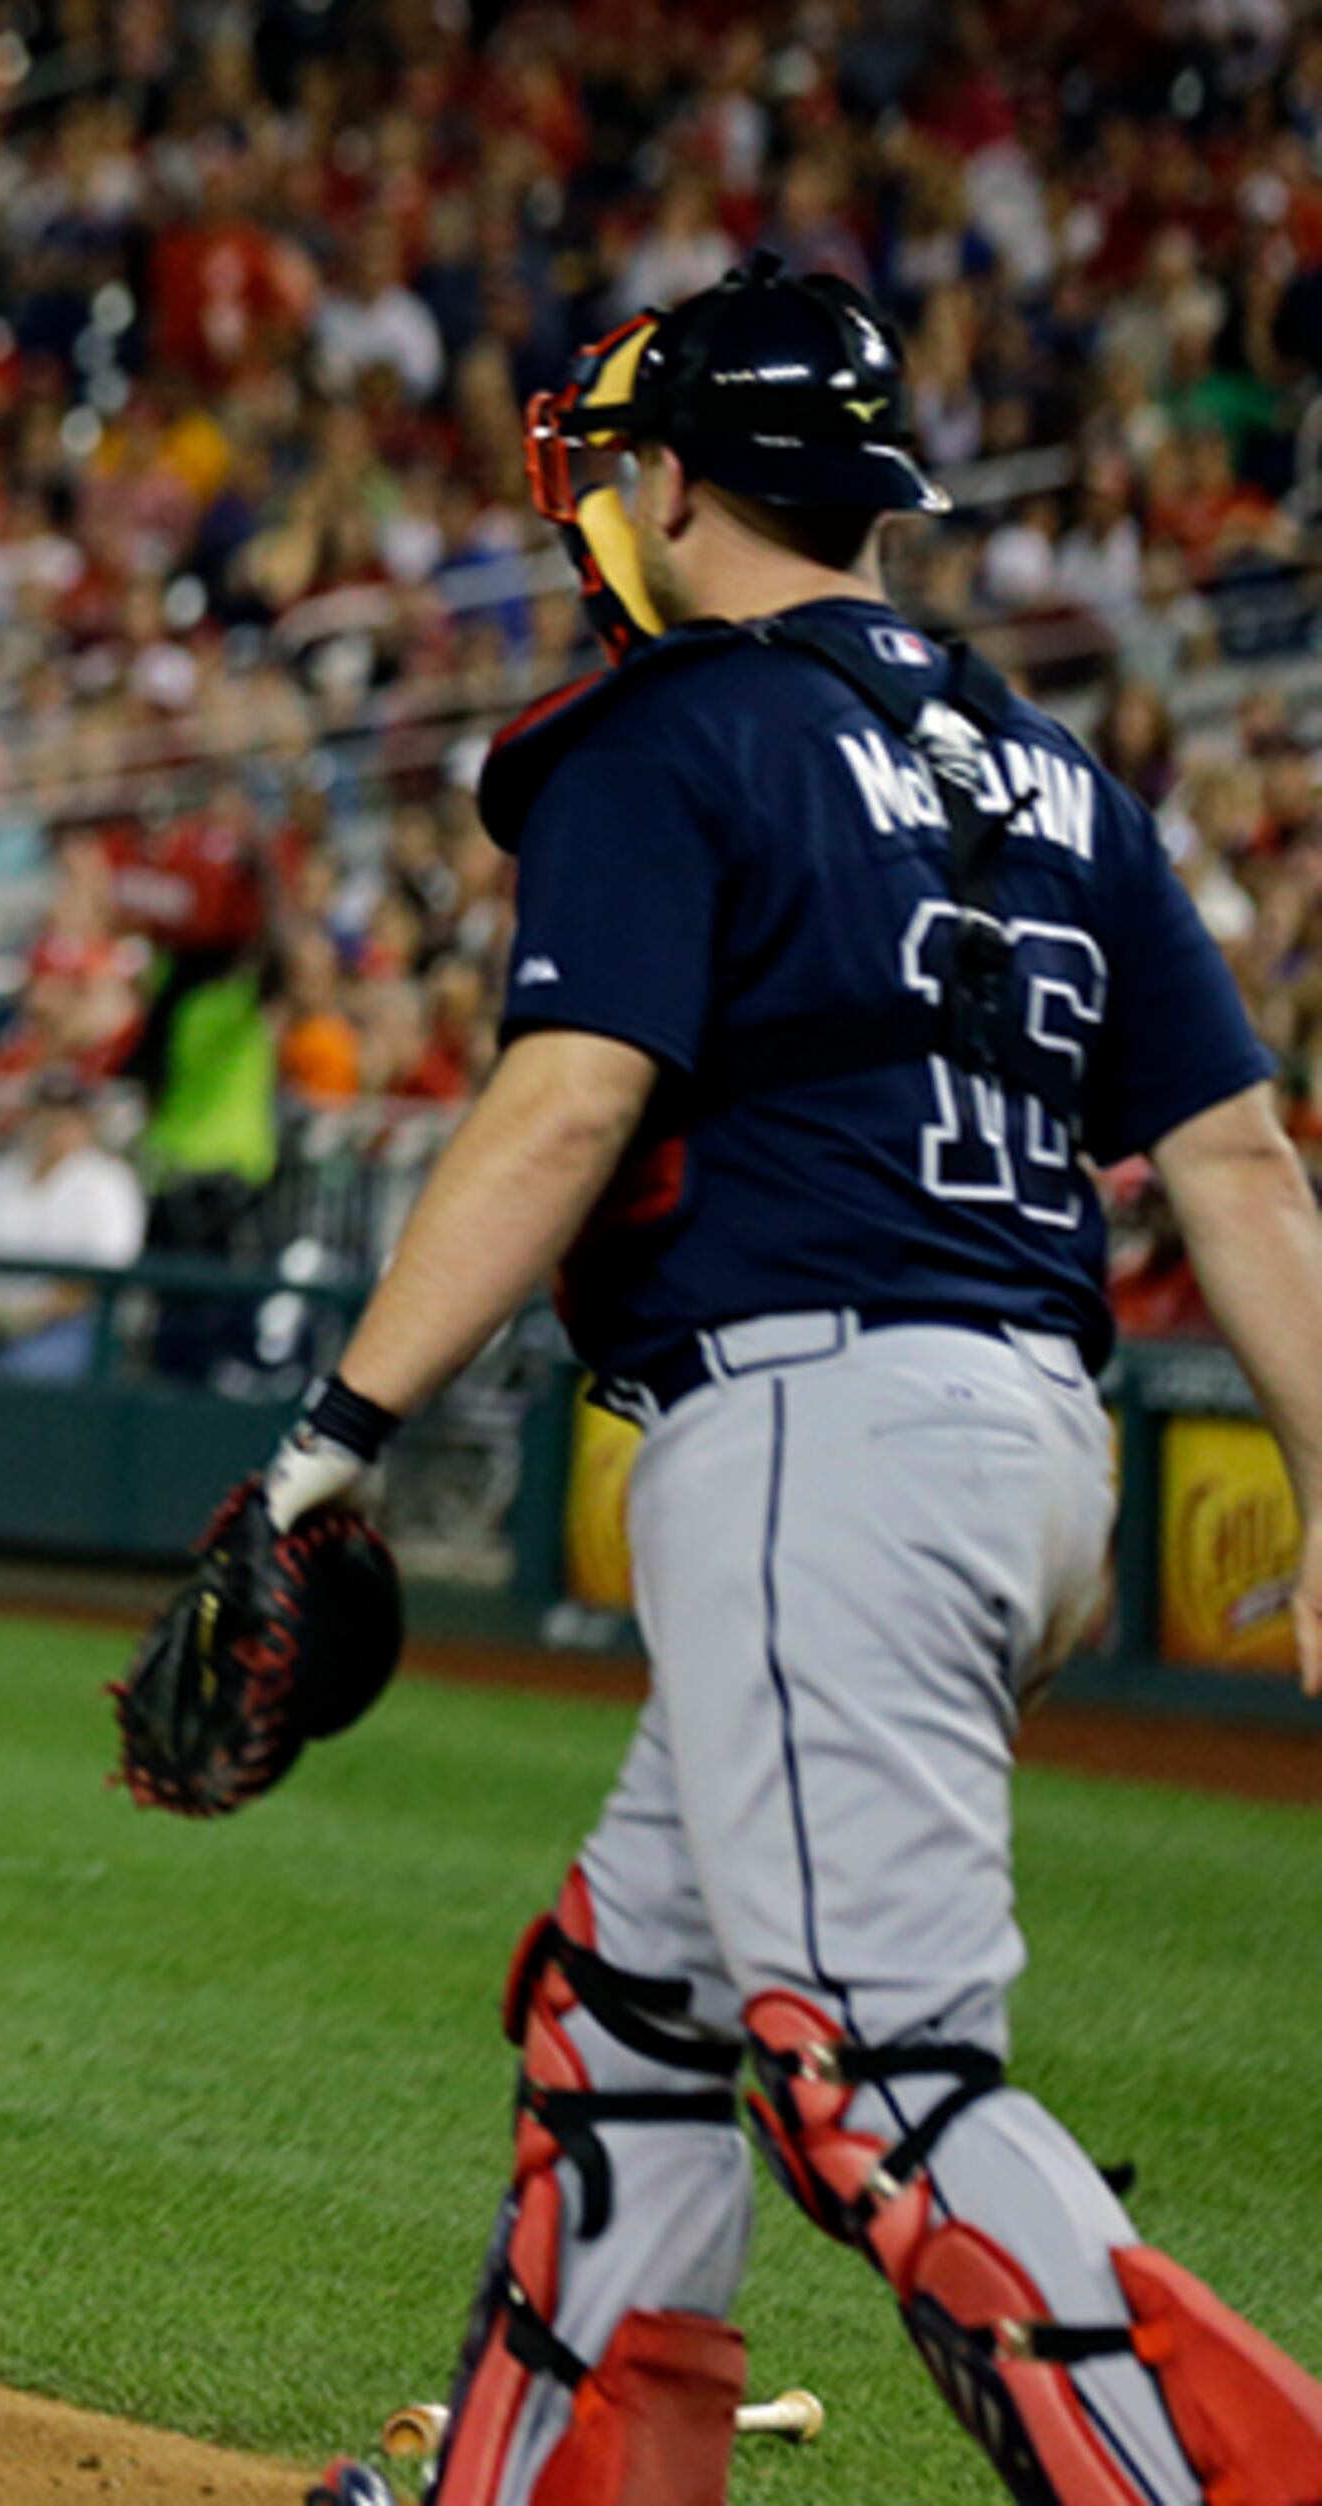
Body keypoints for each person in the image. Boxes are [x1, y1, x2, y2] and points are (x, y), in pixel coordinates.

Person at [283, 260, 1322, 2506]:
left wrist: (327, 1437)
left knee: (878, 2072)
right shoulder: (1053, 768)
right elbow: (1238, 1159)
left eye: (624, 467)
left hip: (817, 1424)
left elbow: (568, 1105)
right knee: (625, 2006)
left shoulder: (668, 730)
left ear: (669, 480)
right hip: (1037, 1445)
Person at [0, 1075, 145, 1379]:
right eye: (45, 1113)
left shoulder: (108, 1183)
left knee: (13, 1375)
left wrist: (26, 1313)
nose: (53, 1125)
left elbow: (97, 1281)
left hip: (68, 1327)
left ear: (87, 1123)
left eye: (67, 1116)